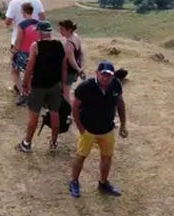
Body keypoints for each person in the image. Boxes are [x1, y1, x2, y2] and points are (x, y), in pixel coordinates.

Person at [69, 61, 128, 198]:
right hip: (88, 130)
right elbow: (75, 107)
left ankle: (103, 183)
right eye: (103, 75)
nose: (106, 78)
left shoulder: (115, 85)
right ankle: (74, 181)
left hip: (107, 129)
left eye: (109, 75)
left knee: (107, 157)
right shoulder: (85, 87)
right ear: (97, 73)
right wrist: (80, 127)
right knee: (81, 156)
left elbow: (120, 103)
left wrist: (123, 124)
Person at [17, 21, 68, 153]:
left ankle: (27, 143)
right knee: (54, 113)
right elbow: (64, 68)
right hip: (55, 85)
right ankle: (54, 142)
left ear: (40, 32)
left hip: (39, 86)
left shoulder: (36, 46)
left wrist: (25, 84)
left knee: (34, 115)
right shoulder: (59, 45)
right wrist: (63, 85)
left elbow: (29, 68)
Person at [9, 2, 40, 104]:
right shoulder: (38, 24)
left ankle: (22, 93)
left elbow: (19, 42)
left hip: (23, 53)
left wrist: (13, 53)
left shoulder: (22, 25)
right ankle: (31, 93)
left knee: (14, 71)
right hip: (36, 53)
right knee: (32, 74)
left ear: (23, 12)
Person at [59, 19, 86, 100]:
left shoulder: (68, 44)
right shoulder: (76, 36)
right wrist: (81, 67)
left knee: (65, 93)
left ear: (69, 30)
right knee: (65, 90)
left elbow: (71, 60)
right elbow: (81, 53)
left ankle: (69, 110)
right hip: (75, 70)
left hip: (68, 71)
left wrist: (79, 70)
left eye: (62, 30)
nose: (60, 31)